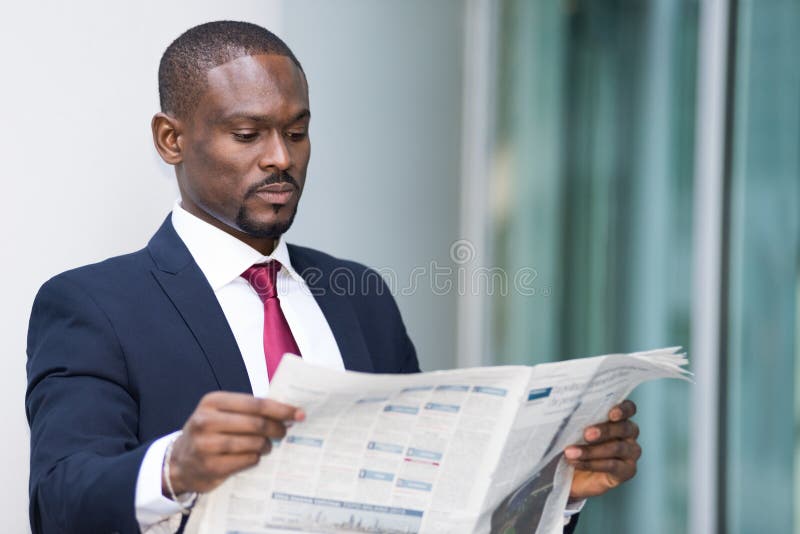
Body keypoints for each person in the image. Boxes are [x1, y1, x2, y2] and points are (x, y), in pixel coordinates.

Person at [25, 21, 641, 534]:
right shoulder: (91, 305)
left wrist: (555, 490)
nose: (281, 158)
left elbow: (431, 497)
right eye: (248, 134)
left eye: (297, 131)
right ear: (171, 139)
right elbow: (60, 500)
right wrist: (174, 467)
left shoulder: (360, 296)